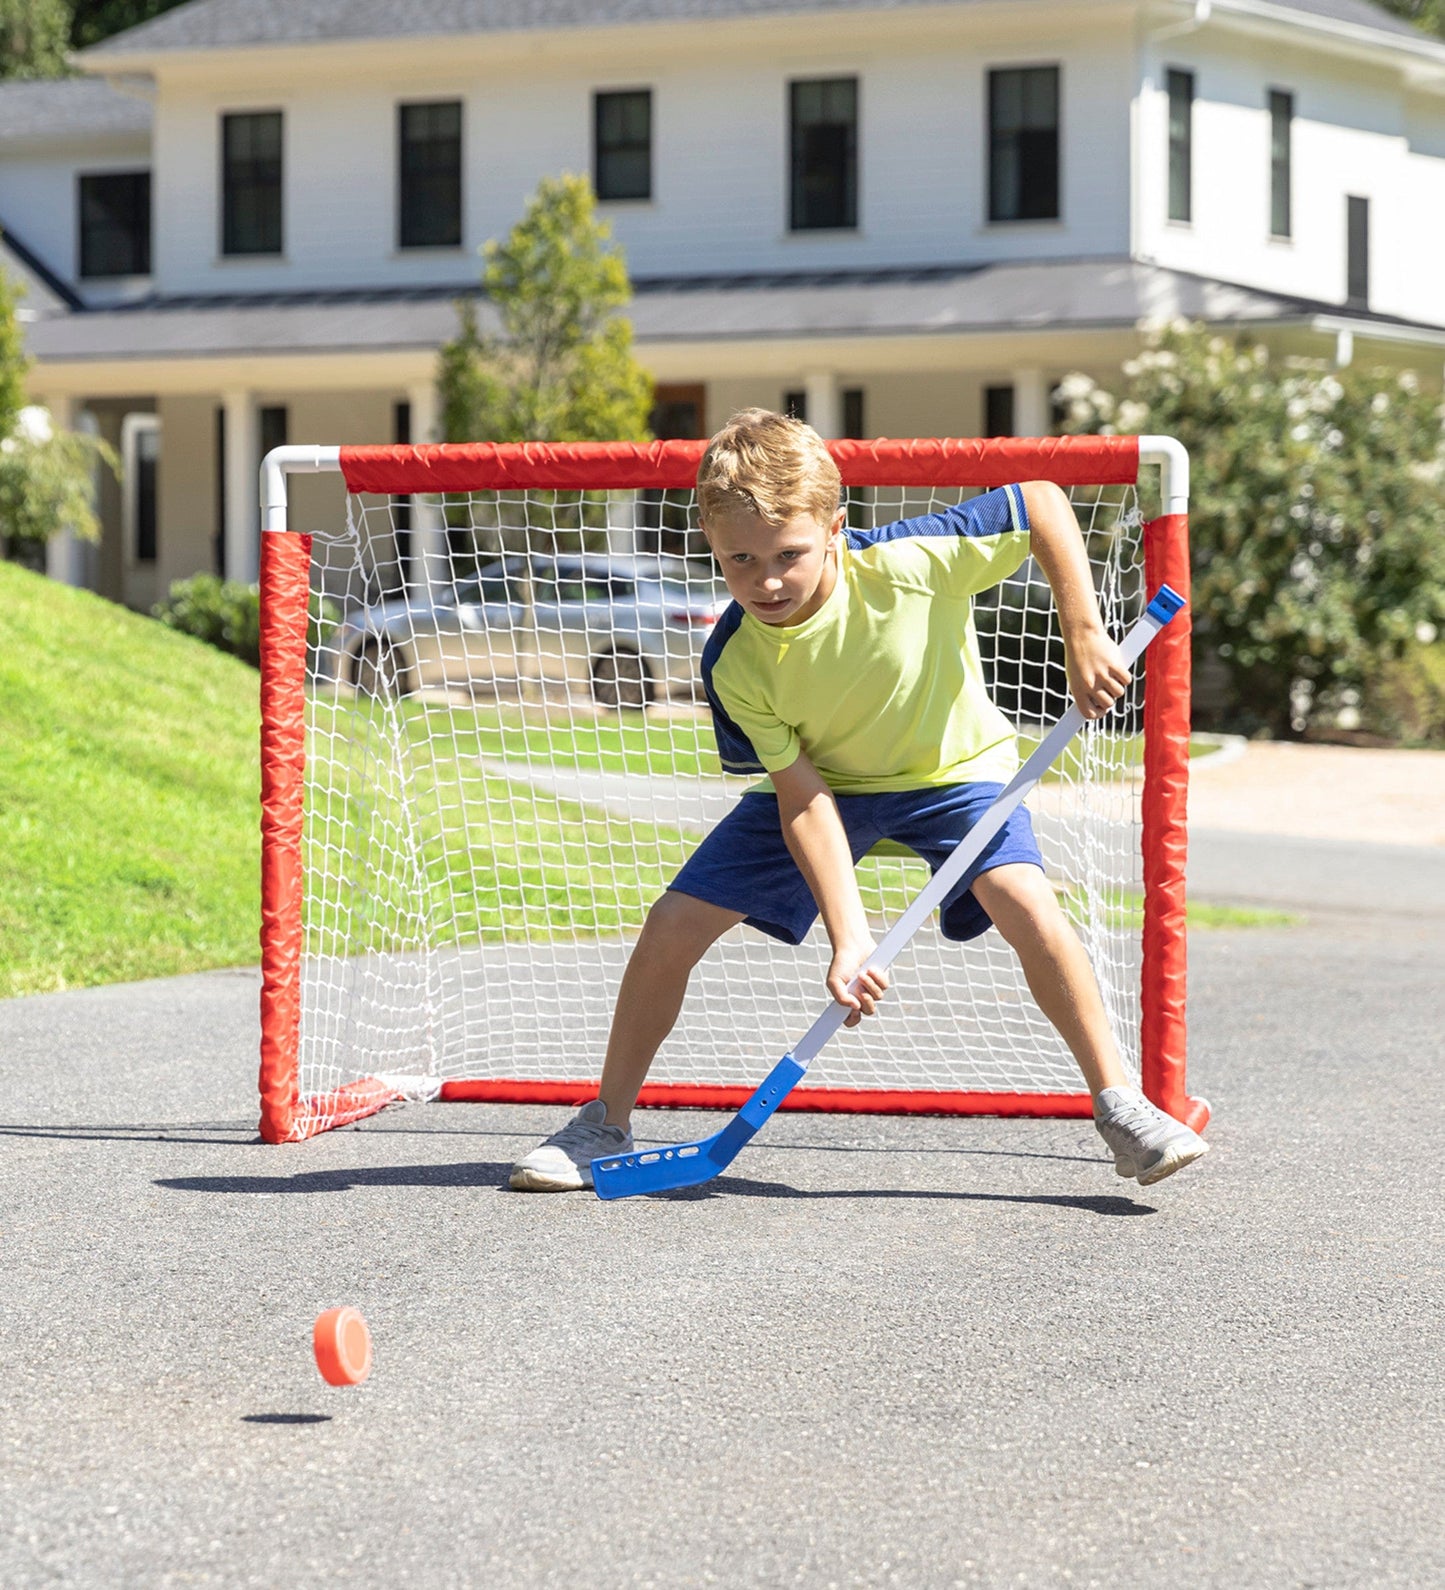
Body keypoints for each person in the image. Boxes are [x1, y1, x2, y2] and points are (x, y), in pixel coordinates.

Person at [509, 409, 1208, 1193]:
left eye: (789, 555)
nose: (766, 579)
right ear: (708, 542)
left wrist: (1082, 628)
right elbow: (802, 796)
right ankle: (602, 1122)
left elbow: (1040, 497)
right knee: (672, 922)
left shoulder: (913, 562)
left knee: (1024, 899)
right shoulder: (735, 661)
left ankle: (1120, 1106)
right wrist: (849, 939)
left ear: (836, 528)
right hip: (830, 789)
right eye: (740, 559)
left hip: (956, 774)